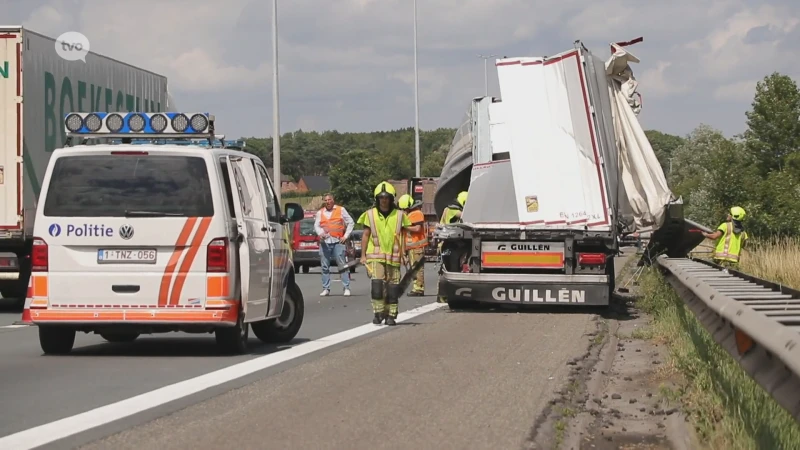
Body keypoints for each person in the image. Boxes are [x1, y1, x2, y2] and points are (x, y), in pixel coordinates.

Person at [358, 181, 420, 325]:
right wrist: (362, 255)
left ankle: (391, 314)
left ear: (391, 199)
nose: (384, 200)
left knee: (392, 288)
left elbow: (403, 236)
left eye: (386, 198)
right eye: (381, 198)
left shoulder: (399, 215)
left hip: (394, 257)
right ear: (377, 199)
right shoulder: (369, 215)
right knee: (377, 286)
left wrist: (404, 255)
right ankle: (378, 313)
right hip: (376, 256)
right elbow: (366, 235)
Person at [314, 193, 355, 297]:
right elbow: (316, 226)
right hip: (325, 243)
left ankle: (346, 287)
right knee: (324, 266)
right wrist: (320, 234)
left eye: (329, 200)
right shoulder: (320, 213)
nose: (328, 202)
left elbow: (351, 222)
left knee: (342, 265)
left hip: (338, 241)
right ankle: (326, 288)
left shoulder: (341, 210)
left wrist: (345, 236)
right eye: (326, 200)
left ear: (333, 200)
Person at [435, 190, 468, 303]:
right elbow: (466, 216)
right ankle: (444, 296)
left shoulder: (448, 208)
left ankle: (442, 296)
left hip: (446, 242)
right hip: (448, 243)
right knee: (451, 269)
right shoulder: (454, 210)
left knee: (445, 269)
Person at [398, 194, 427, 296]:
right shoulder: (409, 215)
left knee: (417, 269)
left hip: (417, 247)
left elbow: (417, 228)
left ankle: (419, 288)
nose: (403, 211)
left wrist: (405, 226)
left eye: (404, 209)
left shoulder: (417, 213)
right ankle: (416, 287)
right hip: (411, 247)